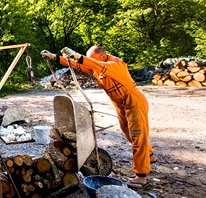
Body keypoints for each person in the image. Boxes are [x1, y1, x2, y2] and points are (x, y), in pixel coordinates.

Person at [40, 45, 155, 189]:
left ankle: (141, 176)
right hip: (120, 103)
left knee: (138, 135)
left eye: (92, 59)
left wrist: (77, 55)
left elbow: (93, 63)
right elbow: (82, 65)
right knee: (126, 130)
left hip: (133, 101)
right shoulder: (98, 65)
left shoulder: (116, 65)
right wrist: (56, 57)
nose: (90, 61)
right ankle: (148, 155)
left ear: (102, 56)